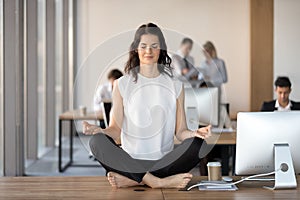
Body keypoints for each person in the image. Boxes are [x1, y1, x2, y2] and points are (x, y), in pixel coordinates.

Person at [83, 23, 211, 189]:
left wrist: (195, 133)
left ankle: (135, 179)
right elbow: (115, 131)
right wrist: (100, 131)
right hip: (130, 161)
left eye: (154, 46)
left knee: (199, 144)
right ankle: (157, 181)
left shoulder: (176, 86)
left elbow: (180, 132)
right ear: (136, 49)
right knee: (96, 142)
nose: (148, 51)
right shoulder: (121, 84)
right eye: (143, 46)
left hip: (163, 161)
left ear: (161, 49)